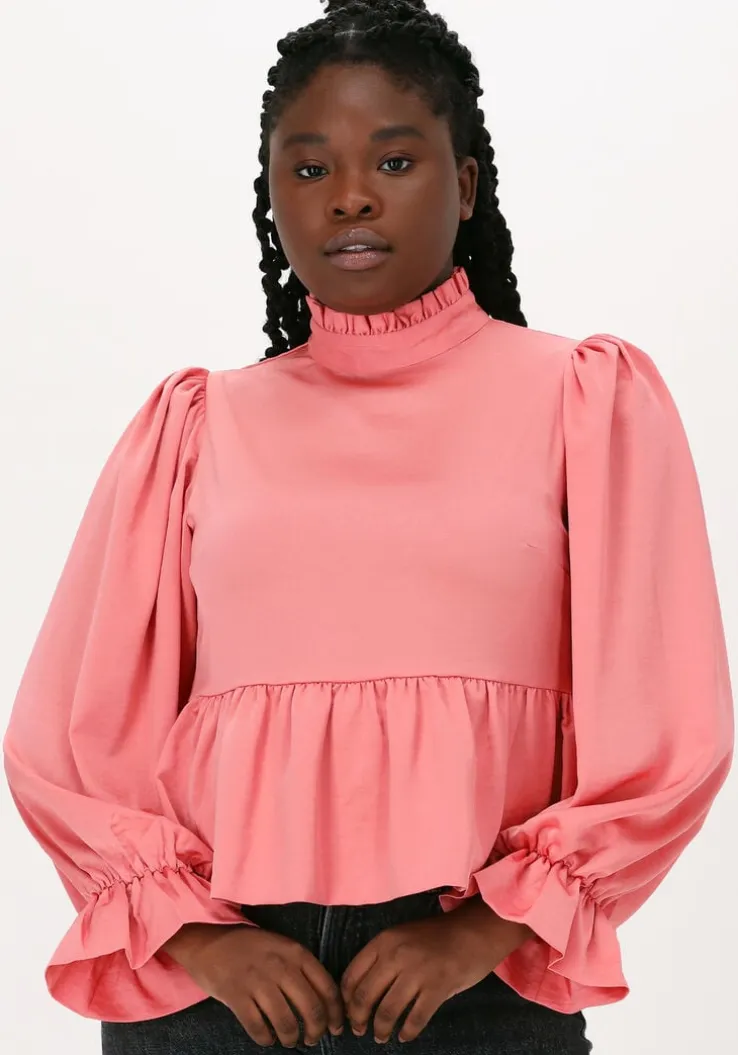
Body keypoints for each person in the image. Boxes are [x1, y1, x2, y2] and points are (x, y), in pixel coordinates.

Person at [3, 0, 734, 1052]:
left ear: (466, 183)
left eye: (394, 161)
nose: (349, 195)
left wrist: (489, 926)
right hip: (220, 987)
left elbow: (672, 723)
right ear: (272, 196)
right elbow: (68, 732)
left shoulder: (585, 401)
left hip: (476, 981)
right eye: (309, 169)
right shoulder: (196, 423)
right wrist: (199, 939)